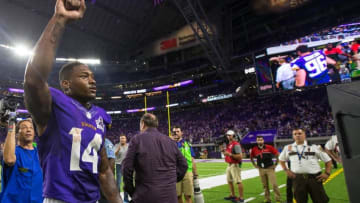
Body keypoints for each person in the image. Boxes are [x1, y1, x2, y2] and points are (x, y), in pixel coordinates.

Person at [23, 0, 122, 202]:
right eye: (85, 76)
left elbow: (103, 170)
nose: (92, 81)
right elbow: (33, 80)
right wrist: (59, 20)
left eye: (93, 77)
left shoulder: (99, 116)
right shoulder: (55, 105)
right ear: (66, 85)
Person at [122, 113, 188, 203]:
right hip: (169, 197)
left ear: (143, 124)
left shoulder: (137, 139)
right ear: (156, 124)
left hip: (145, 196)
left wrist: (132, 191)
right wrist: (171, 180)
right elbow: (184, 165)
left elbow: (126, 169)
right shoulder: (170, 141)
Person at [279, 128, 332, 203]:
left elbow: (328, 160)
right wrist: (286, 170)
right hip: (298, 179)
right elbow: (281, 160)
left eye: (300, 133)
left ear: (304, 135)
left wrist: (327, 173)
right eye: (295, 134)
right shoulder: (288, 148)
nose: (297, 135)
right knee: (300, 200)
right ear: (293, 136)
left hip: (314, 178)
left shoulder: (314, 147)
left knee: (320, 200)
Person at [0, 117, 43, 202]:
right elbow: (9, 160)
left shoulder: (41, 154)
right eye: (24, 127)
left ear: (34, 133)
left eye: (31, 128)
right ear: (16, 134)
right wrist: (11, 125)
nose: (28, 130)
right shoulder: (14, 152)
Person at [171, 125, 199, 203]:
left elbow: (192, 159)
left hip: (188, 172)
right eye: (174, 132)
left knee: (188, 195)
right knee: (177, 196)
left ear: (181, 133)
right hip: (175, 172)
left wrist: (195, 173)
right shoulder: (170, 144)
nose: (176, 133)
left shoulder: (187, 144)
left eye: (177, 131)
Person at [250, 136, 281, 203]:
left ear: (263, 140)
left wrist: (275, 164)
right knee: (265, 186)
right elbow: (251, 157)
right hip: (261, 169)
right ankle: (267, 199)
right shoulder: (254, 149)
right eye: (258, 140)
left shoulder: (269, 147)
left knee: (274, 185)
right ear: (257, 141)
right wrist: (255, 165)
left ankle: (278, 200)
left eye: (261, 140)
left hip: (270, 168)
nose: (260, 141)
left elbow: (277, 154)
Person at [222, 130, 244, 203]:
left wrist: (230, 154)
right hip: (229, 164)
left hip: (235, 164)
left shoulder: (236, 144)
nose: (228, 136)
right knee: (229, 181)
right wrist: (222, 149)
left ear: (233, 136)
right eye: (227, 135)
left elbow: (240, 157)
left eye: (229, 135)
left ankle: (241, 198)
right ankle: (233, 195)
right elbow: (226, 154)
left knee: (238, 181)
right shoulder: (229, 144)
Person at [99, 138, 116, 203]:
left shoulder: (105, 142)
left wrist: (106, 178)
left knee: (104, 198)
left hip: (103, 178)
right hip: (101, 177)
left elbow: (111, 160)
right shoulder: (107, 142)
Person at [114, 134, 130, 202]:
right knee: (118, 182)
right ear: (119, 139)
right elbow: (114, 154)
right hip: (118, 165)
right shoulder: (117, 145)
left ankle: (126, 199)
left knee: (126, 182)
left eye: (123, 138)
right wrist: (118, 149)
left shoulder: (129, 146)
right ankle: (118, 199)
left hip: (126, 166)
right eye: (121, 138)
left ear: (126, 139)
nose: (122, 139)